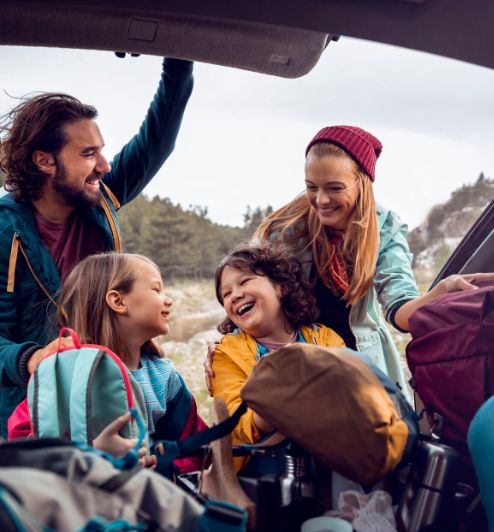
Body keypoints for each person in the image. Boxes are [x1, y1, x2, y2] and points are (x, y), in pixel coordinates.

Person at [0, 57, 194, 437]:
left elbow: (156, 143)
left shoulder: (99, 198)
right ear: (45, 161)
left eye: (101, 151)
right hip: (31, 414)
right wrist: (31, 359)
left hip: (104, 395)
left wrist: (179, 61)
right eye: (88, 153)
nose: (104, 165)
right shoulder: (5, 231)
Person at [253, 125, 494, 402]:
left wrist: (440, 293)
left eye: (335, 188)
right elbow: (247, 288)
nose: (321, 199)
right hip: (296, 363)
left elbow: (401, 311)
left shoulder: (386, 227)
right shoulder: (287, 228)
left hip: (361, 367)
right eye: (311, 187)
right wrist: (228, 346)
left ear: (361, 183)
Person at [8, 252, 207, 472]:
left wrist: (162, 466)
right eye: (156, 289)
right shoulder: (62, 375)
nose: (168, 299)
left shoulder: (162, 376)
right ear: (118, 301)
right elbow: (23, 448)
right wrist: (89, 453)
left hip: (146, 497)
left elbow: (195, 446)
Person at [211, 243, 345, 470]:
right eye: (226, 294)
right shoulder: (226, 354)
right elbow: (235, 420)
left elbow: (349, 389)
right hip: (267, 469)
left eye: (244, 282)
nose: (235, 295)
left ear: (280, 287)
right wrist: (283, 407)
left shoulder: (324, 338)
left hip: (334, 458)